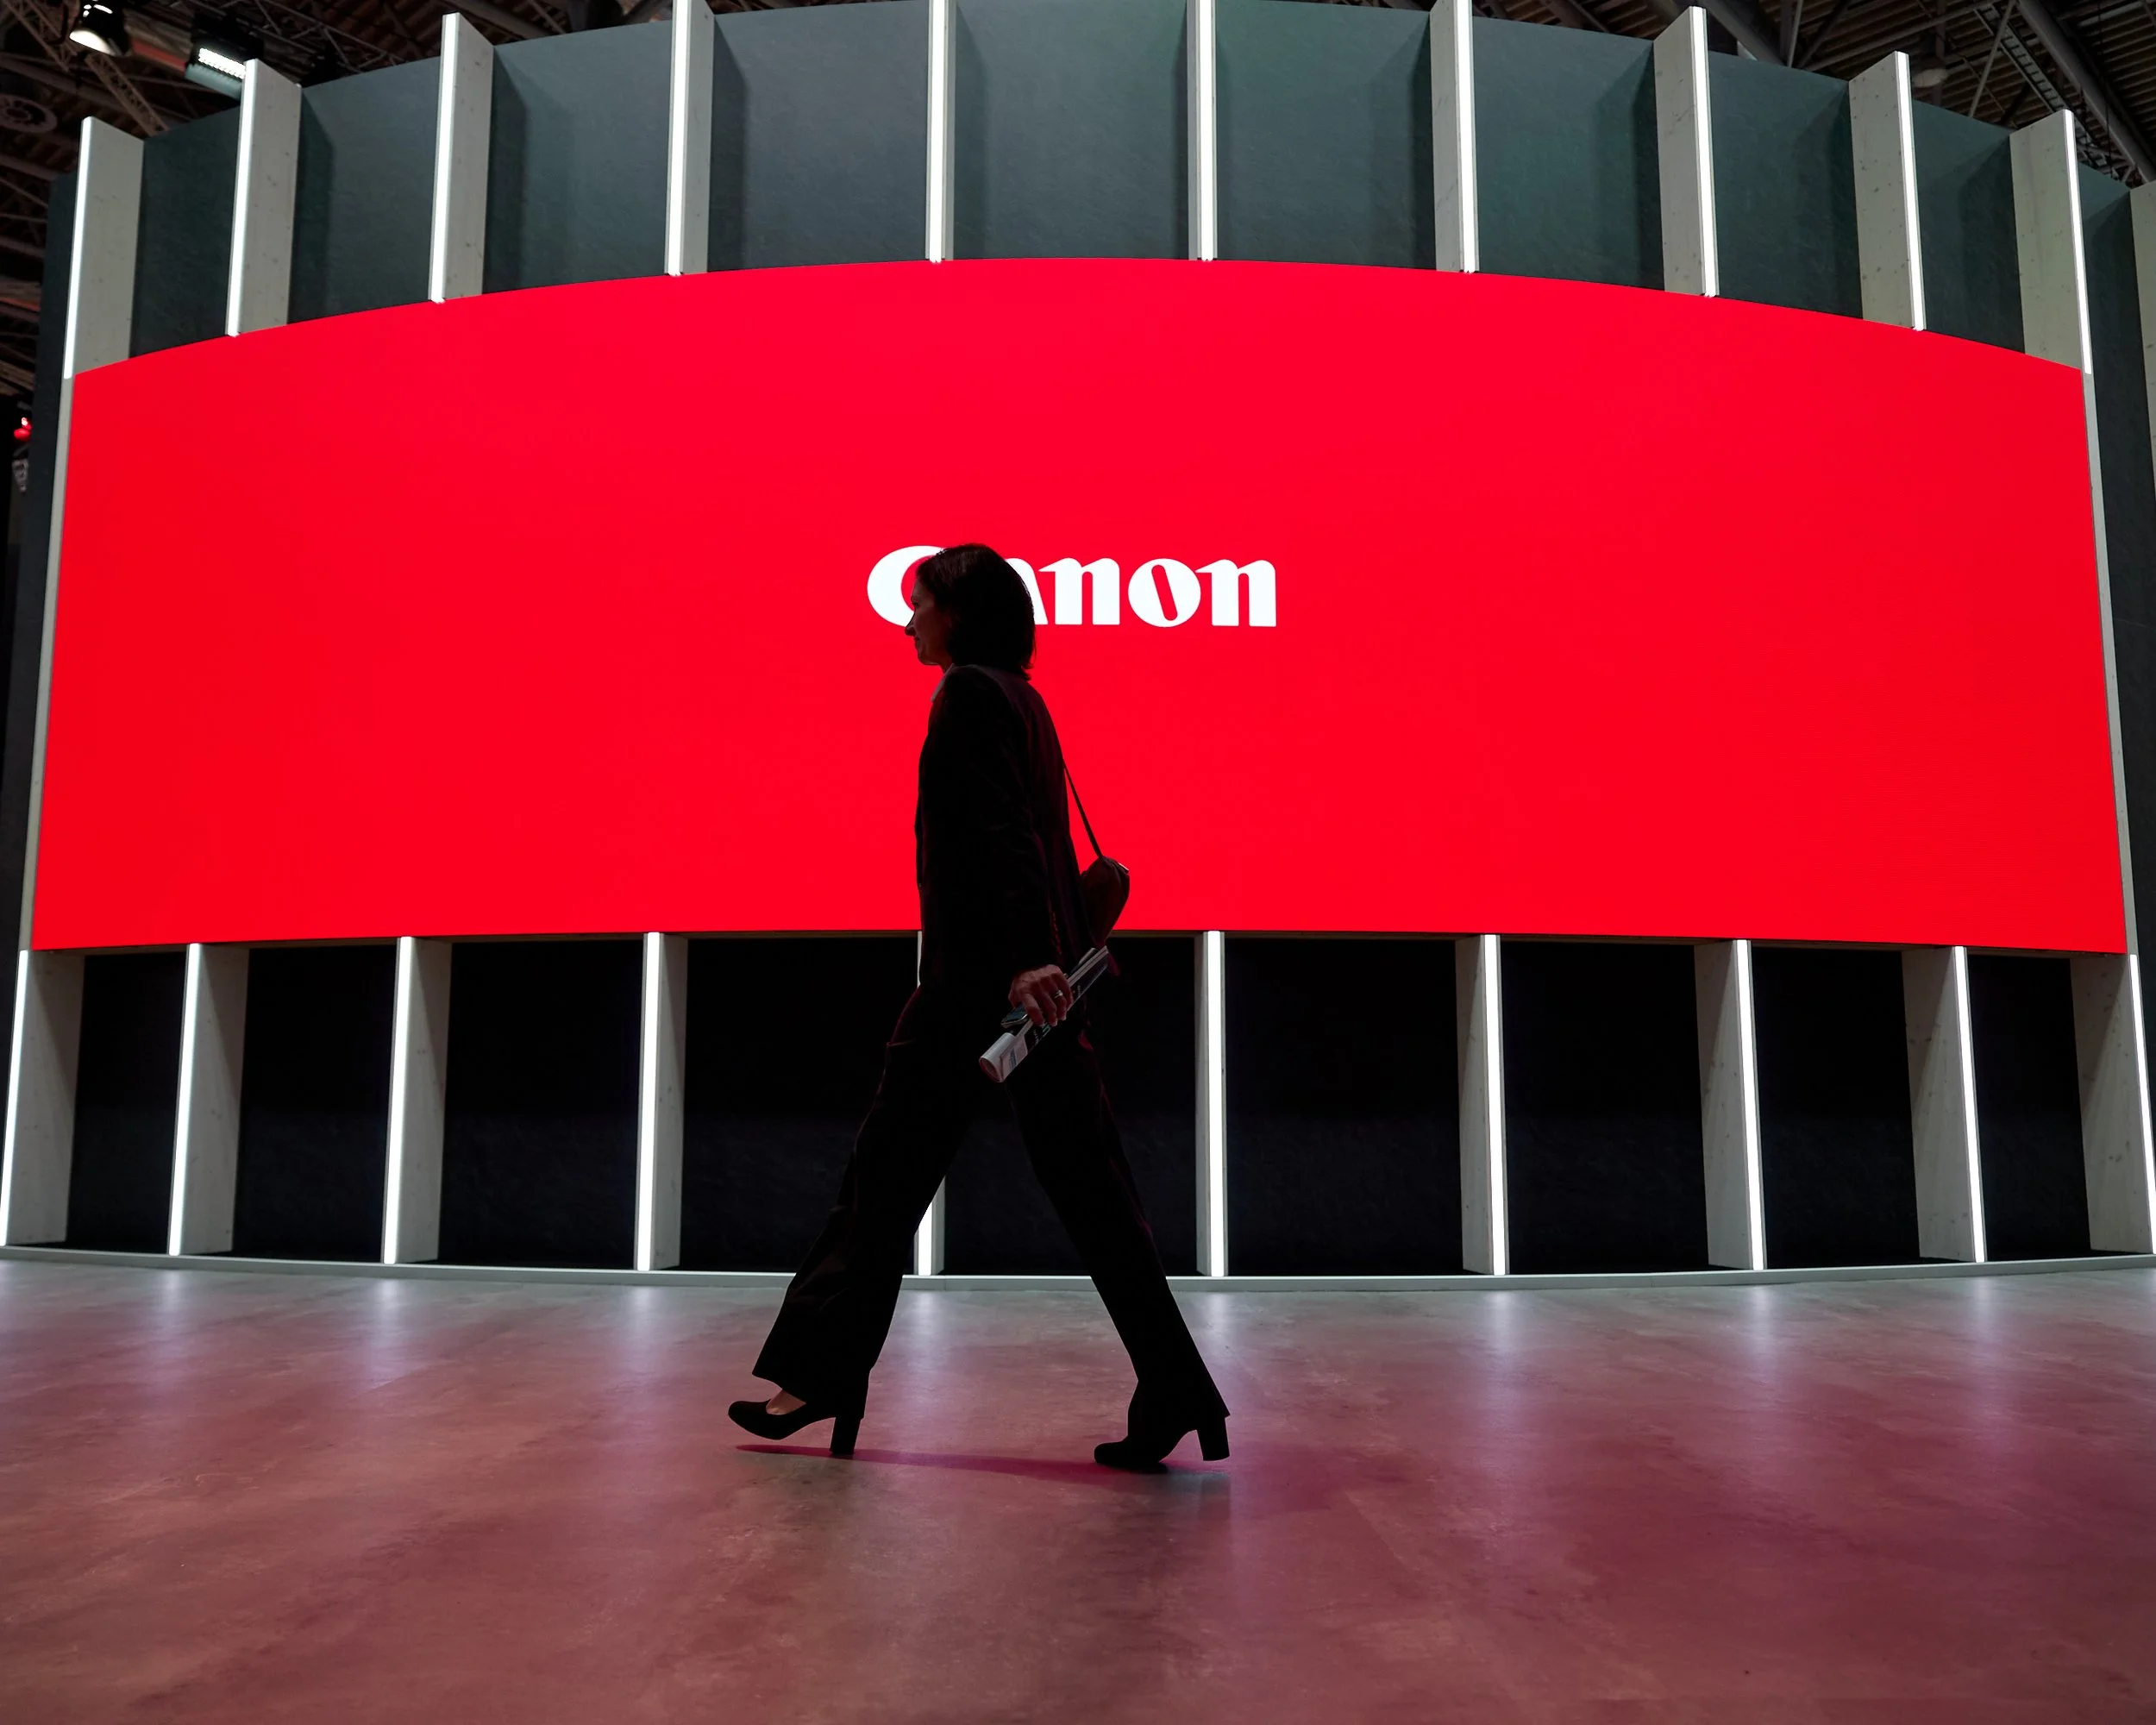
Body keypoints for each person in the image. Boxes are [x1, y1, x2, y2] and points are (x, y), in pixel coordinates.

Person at [728, 544, 1230, 1469]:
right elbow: (1030, 843)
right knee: (1099, 1203)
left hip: (978, 995)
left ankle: (820, 1376)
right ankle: (1177, 1388)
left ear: (957, 614)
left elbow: (995, 840)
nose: (907, 621)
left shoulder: (965, 696)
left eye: (920, 606)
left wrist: (1019, 963)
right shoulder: (1023, 698)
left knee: (877, 1189)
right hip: (1034, 997)